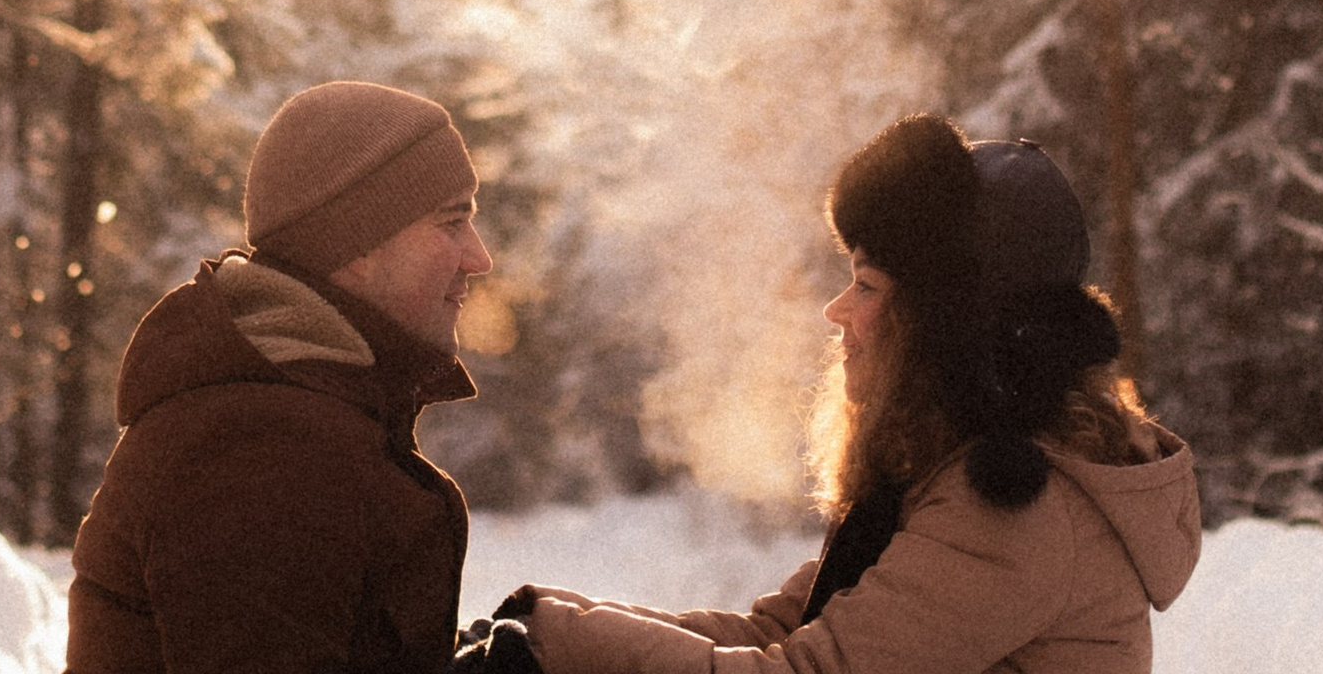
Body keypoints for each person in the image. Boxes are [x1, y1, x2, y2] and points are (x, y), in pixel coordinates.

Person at [491, 116, 1199, 674]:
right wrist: (551, 621)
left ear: (939, 323)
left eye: (866, 286)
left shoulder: (1016, 510)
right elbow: (778, 631)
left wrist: (558, 643)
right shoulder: (943, 474)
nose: (838, 311)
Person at [67, 79, 494, 674]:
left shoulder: (303, 410)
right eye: (451, 223)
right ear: (358, 244)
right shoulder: (264, 447)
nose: (478, 258)